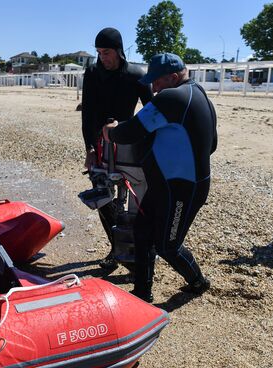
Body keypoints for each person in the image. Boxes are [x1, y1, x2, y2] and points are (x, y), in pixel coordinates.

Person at [102, 53, 217, 302]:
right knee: (142, 231)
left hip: (182, 189)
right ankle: (142, 293)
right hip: (166, 183)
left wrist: (110, 132)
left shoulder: (171, 97)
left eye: (156, 82)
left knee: (167, 245)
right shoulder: (199, 93)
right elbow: (213, 144)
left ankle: (199, 281)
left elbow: (130, 132)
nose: (153, 88)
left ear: (173, 77)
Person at [82, 27, 153, 270]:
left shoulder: (135, 74)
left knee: (130, 200)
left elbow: (151, 110)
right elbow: (88, 114)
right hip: (100, 146)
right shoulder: (92, 72)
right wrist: (89, 148)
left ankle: (134, 252)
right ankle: (116, 248)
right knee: (103, 199)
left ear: (119, 51)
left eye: (107, 52)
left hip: (127, 145)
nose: (103, 57)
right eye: (99, 52)